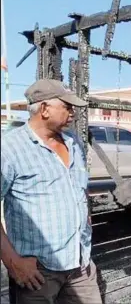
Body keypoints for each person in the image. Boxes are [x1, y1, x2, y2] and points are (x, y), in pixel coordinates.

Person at [1, 79, 102, 304]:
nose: (73, 113)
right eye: (67, 107)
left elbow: (79, 188)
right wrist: (13, 261)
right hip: (37, 271)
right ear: (44, 109)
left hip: (81, 264)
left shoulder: (73, 141)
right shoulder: (9, 149)